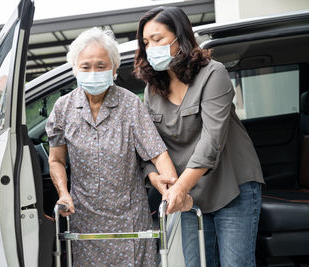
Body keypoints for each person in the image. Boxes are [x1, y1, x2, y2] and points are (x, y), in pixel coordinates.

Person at [46, 27, 192, 267]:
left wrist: (172, 188)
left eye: (101, 66)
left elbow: (157, 153)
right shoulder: (63, 108)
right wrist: (63, 193)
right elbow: (56, 160)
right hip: (84, 222)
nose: (93, 72)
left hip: (129, 222)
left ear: (113, 70)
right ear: (75, 69)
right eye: (86, 66)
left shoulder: (130, 104)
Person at [134, 6, 265, 267]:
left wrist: (179, 188)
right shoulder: (152, 90)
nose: (151, 48)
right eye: (146, 42)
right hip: (190, 195)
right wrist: (157, 180)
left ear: (179, 37)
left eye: (158, 39)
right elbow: (149, 146)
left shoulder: (213, 73)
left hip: (232, 187)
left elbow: (211, 141)